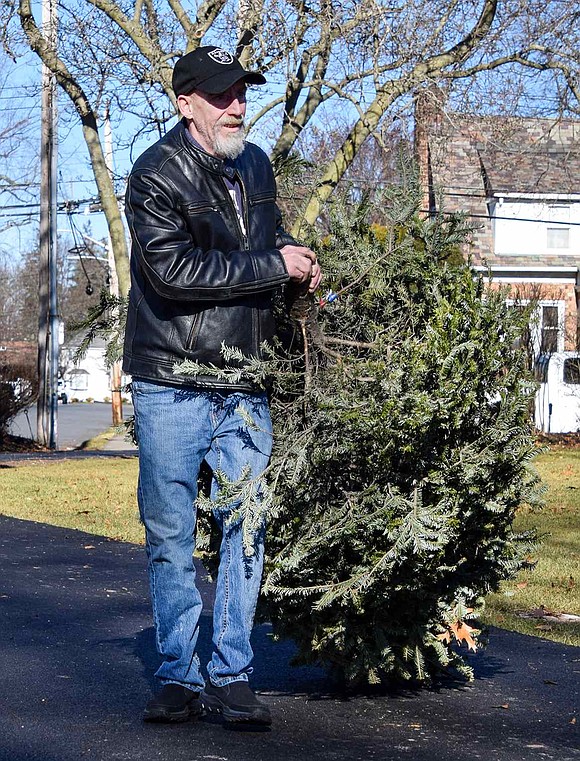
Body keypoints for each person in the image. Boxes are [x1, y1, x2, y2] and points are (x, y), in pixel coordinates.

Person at [122, 45, 322, 726]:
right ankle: (178, 674)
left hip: (244, 381)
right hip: (170, 380)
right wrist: (271, 263)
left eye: (241, 92)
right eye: (220, 95)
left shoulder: (256, 164)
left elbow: (266, 237)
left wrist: (296, 261)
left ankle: (231, 673)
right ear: (185, 104)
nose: (236, 105)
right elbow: (175, 273)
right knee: (172, 533)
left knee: (247, 527)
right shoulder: (153, 176)